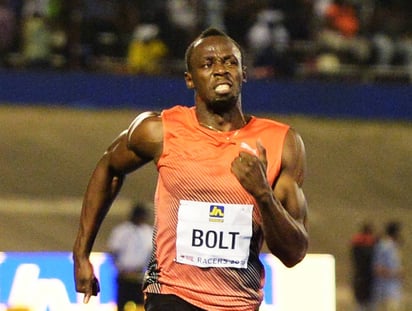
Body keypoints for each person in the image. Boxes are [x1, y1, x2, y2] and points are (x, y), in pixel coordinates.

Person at [72, 27, 309, 311]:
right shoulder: (159, 130)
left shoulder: (281, 143)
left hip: (238, 303)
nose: (221, 70)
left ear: (244, 73)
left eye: (230, 62)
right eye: (208, 64)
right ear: (189, 79)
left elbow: (294, 253)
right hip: (171, 295)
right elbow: (109, 166)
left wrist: (263, 195)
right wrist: (81, 253)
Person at [107, 202, 153, 311]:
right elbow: (114, 252)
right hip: (124, 276)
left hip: (140, 277)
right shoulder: (121, 231)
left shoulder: (148, 232)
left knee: (141, 305)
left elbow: (151, 253)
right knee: (122, 304)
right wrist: (119, 268)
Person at [372, 221, 403, 311]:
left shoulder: (394, 247)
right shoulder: (384, 247)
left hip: (394, 291)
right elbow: (377, 269)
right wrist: (396, 273)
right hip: (384, 292)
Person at [350, 222, 376, 311]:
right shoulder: (372, 244)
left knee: (360, 304)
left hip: (359, 277)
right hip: (369, 279)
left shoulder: (356, 243)